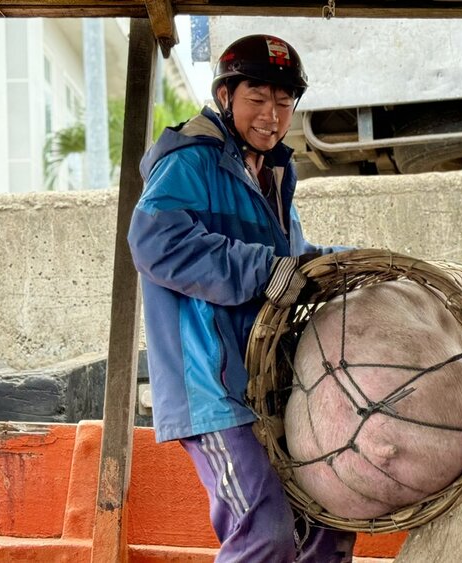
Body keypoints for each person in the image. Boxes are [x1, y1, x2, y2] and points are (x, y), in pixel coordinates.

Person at [127, 34, 355, 562]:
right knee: (265, 529)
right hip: (210, 385)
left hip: (269, 382)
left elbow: (294, 261)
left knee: (328, 521)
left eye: (283, 101)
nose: (272, 115)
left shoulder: (275, 172)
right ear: (226, 97)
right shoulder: (190, 160)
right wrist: (267, 271)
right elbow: (154, 241)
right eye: (258, 98)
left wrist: (352, 263)